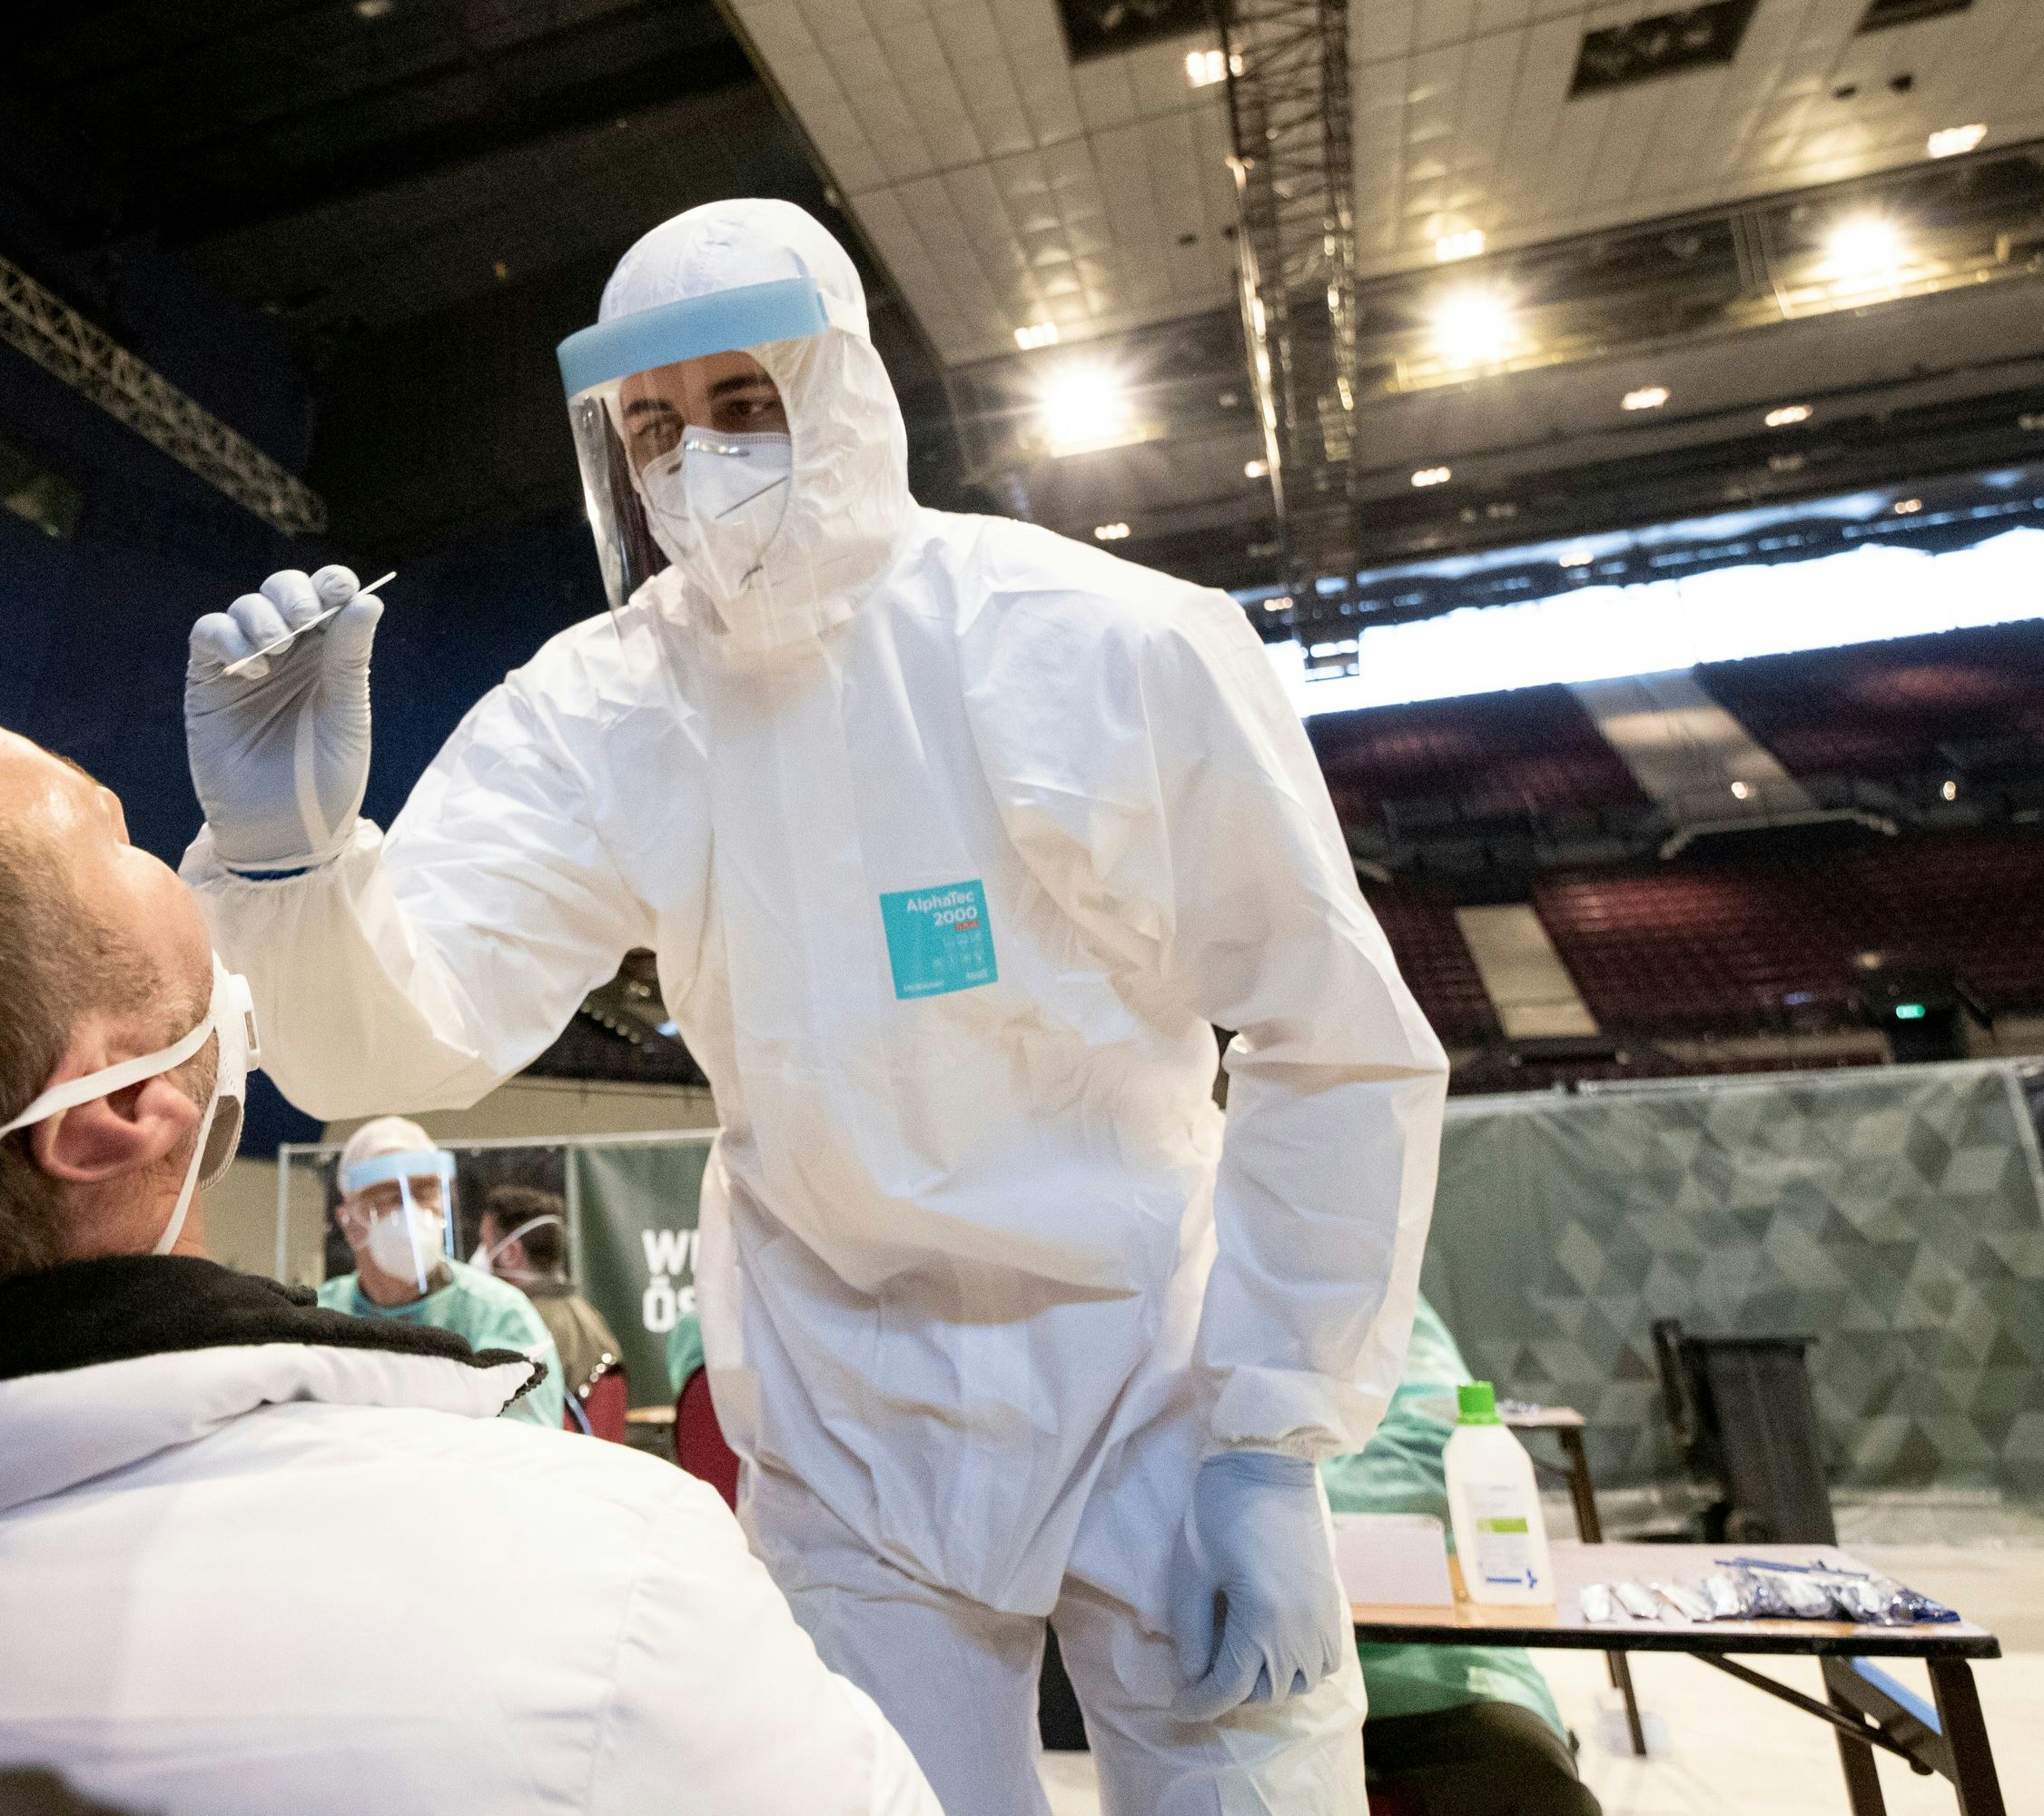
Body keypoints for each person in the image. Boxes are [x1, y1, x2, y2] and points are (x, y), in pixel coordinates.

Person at [180, 198, 1446, 1816]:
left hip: (1156, 1377)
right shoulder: (608, 706)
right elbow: (397, 1043)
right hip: (846, 1412)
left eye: (741, 402)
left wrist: (1270, 1437)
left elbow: (1329, 1031)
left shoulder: (1100, 641)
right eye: (650, 424)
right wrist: (293, 869)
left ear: (841, 389)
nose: (693, 457)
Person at [0, 625, 939, 1816]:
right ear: (115, 1110)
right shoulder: (593, 1590)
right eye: (115, 842)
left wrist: (300, 881)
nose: (174, 861)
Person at [1320, 1301, 1593, 1816]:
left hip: (1423, 1673)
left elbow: (1438, 1459)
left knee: (1530, 1791)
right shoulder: (1158, 1279)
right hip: (1203, 1693)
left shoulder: (1368, 1293)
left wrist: (1275, 1497)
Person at [313, 1118, 564, 1426]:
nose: (411, 1213)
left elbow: (527, 1450)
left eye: (424, 1192)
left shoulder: (500, 1316)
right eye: (389, 1196)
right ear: (348, 1222)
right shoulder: (319, 1318)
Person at [475, 1182, 623, 1394]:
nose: (479, 1255)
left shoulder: (517, 1328)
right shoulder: (590, 1317)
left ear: (512, 1254)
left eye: (484, 1243)